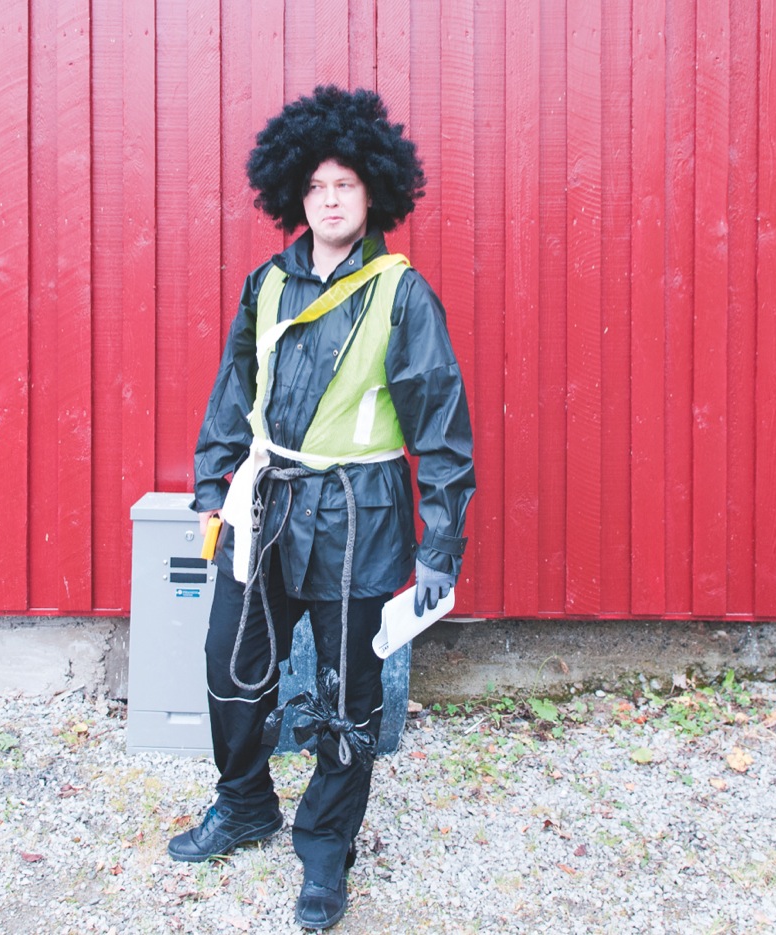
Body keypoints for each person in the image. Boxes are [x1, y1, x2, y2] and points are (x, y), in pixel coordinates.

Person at [168, 85, 475, 930]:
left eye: (345, 184)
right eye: (315, 186)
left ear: (373, 191)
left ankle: (326, 846)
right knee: (230, 666)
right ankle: (244, 802)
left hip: (358, 516)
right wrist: (212, 488)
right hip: (265, 508)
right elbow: (233, 394)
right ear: (293, 196)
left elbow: (442, 427)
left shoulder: (401, 294)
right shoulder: (266, 284)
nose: (330, 199)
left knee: (349, 696)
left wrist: (440, 544)